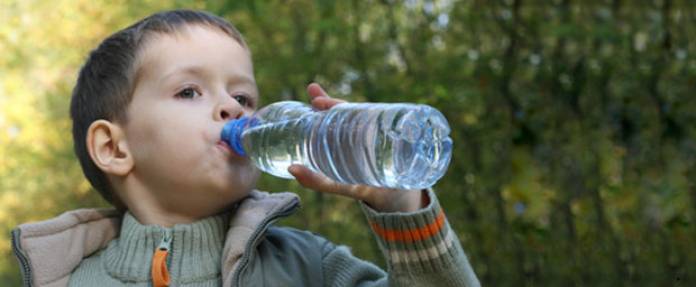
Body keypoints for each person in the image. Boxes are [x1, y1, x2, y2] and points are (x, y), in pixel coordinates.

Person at [11, 9, 479, 287]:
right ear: (114, 147)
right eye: (190, 91)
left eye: (243, 97)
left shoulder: (305, 266)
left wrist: (398, 204)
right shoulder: (66, 279)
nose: (232, 109)